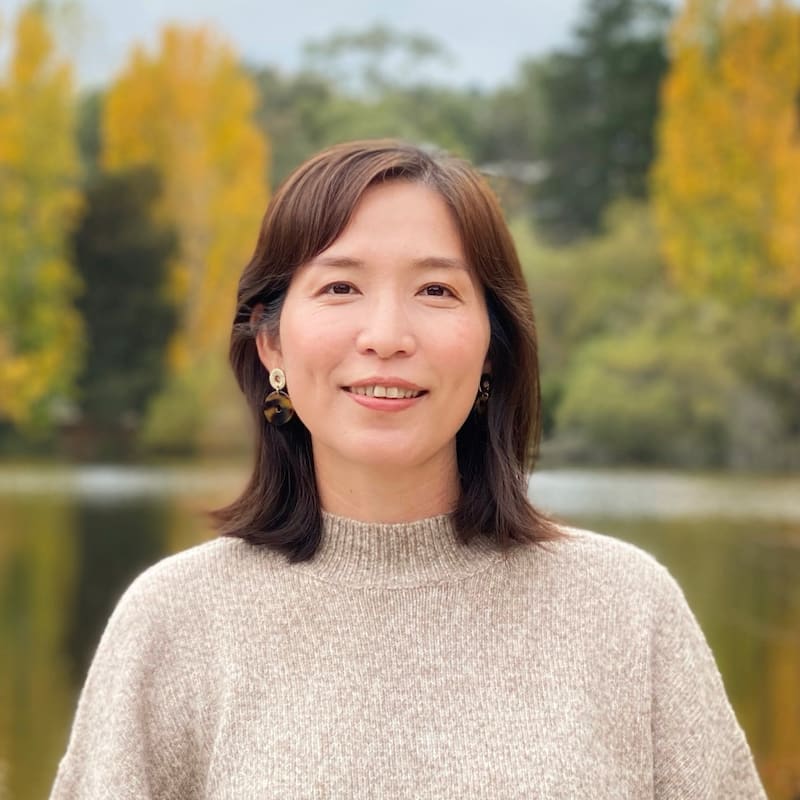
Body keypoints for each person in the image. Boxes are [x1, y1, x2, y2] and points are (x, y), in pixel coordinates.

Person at [50, 140, 766, 799]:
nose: (387, 337)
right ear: (269, 341)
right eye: (340, 288)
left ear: (493, 345)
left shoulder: (624, 607)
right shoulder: (175, 620)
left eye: (436, 292)